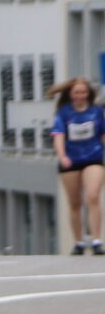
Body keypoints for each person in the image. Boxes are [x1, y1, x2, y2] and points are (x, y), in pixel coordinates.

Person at [50, 77, 103, 255]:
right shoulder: (63, 113)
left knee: (93, 196)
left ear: (88, 94)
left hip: (93, 158)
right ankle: (78, 241)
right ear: (71, 95)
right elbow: (58, 136)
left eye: (83, 92)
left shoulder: (97, 112)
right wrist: (62, 156)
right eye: (77, 93)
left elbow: (102, 134)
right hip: (71, 160)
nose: (81, 96)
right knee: (75, 203)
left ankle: (96, 240)